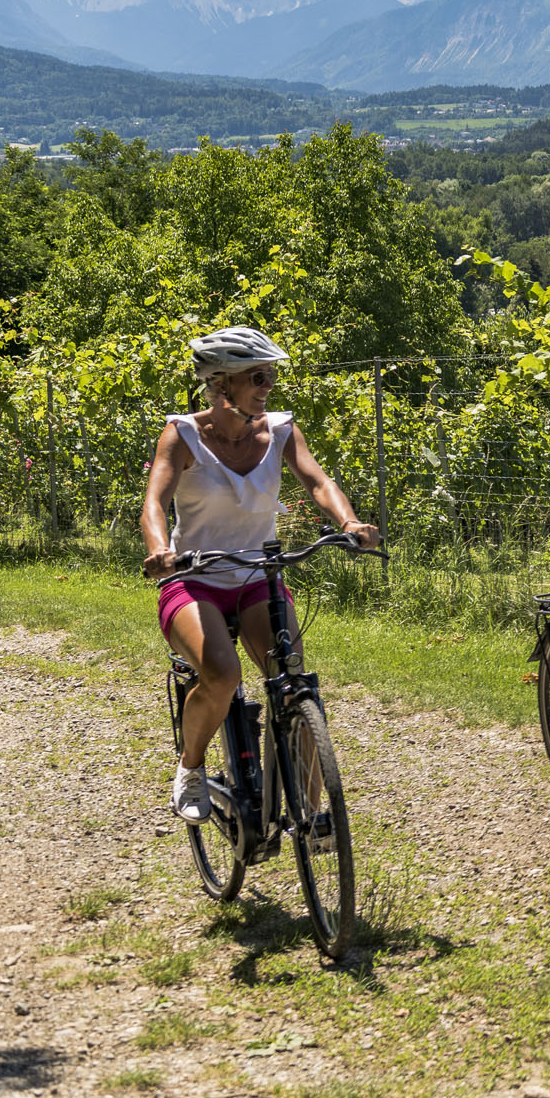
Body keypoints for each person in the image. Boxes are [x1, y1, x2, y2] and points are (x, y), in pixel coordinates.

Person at [143, 327, 379, 824]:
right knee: (223, 675)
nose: (268, 384)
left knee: (293, 684)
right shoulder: (182, 434)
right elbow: (154, 503)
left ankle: (312, 812)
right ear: (221, 383)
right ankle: (190, 768)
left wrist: (349, 522)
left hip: (257, 575)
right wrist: (160, 550)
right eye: (257, 375)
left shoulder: (281, 430)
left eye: (270, 373)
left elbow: (317, 480)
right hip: (195, 577)